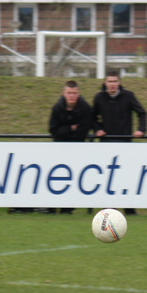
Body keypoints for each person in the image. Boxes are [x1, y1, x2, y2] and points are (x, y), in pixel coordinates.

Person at [92, 70, 146, 215]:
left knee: (126, 177)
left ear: (119, 82)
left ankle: (129, 209)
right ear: (105, 83)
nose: (112, 84)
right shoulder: (99, 97)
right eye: (109, 81)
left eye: (115, 81)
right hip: (106, 144)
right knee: (108, 178)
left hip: (124, 143)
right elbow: (91, 117)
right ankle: (109, 208)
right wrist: (97, 129)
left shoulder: (128, 96)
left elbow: (142, 113)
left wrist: (141, 129)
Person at [49, 80, 93, 214]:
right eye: (69, 93)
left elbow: (83, 132)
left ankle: (67, 208)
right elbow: (53, 130)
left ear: (78, 94)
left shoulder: (85, 108)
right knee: (57, 178)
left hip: (77, 150)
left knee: (73, 179)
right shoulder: (57, 108)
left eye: (74, 93)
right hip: (59, 149)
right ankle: (51, 207)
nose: (71, 96)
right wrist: (70, 128)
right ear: (64, 93)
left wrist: (65, 131)